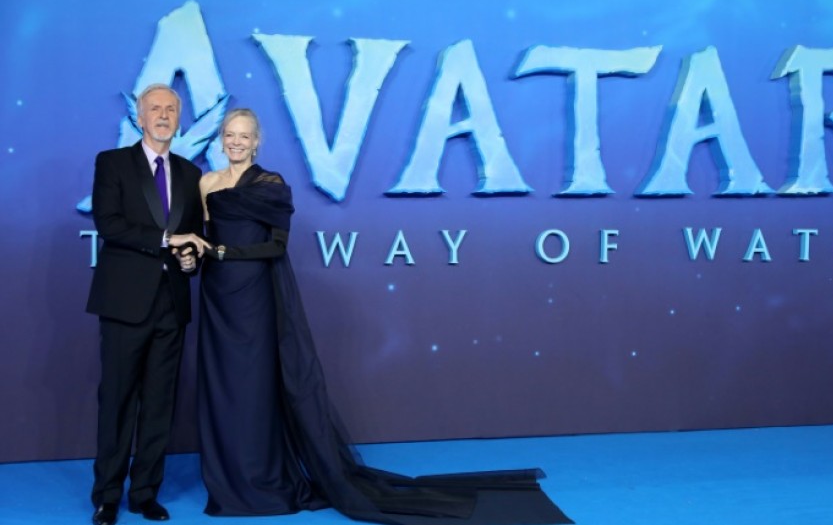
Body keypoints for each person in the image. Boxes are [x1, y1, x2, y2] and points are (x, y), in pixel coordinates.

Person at [196, 108, 573, 525]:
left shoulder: (271, 185)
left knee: (256, 389)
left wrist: (226, 253)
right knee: (223, 388)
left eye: (244, 136)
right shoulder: (206, 183)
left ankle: (261, 480)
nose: (236, 142)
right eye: (230, 134)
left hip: (256, 299)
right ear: (221, 137)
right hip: (218, 299)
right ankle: (228, 481)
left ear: (256, 141)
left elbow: (276, 247)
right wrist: (196, 253)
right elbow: (207, 240)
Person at [86, 83, 209, 525]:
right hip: (124, 304)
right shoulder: (113, 163)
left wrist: (190, 258)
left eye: (171, 109)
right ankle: (107, 497)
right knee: (117, 402)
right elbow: (110, 225)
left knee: (160, 404)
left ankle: (144, 493)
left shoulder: (191, 174)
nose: (163, 115)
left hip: (171, 305)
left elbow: (192, 238)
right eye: (155, 108)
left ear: (179, 118)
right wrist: (165, 240)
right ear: (140, 118)